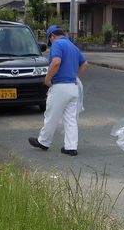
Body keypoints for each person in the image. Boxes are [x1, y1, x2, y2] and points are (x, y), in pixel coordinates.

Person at [28, 25, 89, 156]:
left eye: (49, 39)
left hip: (60, 87)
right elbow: (85, 64)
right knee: (71, 119)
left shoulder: (57, 44)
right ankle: (71, 147)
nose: (50, 42)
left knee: (51, 116)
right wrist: (75, 75)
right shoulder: (73, 46)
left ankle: (43, 142)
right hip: (73, 87)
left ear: (52, 36)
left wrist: (47, 79)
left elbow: (56, 62)